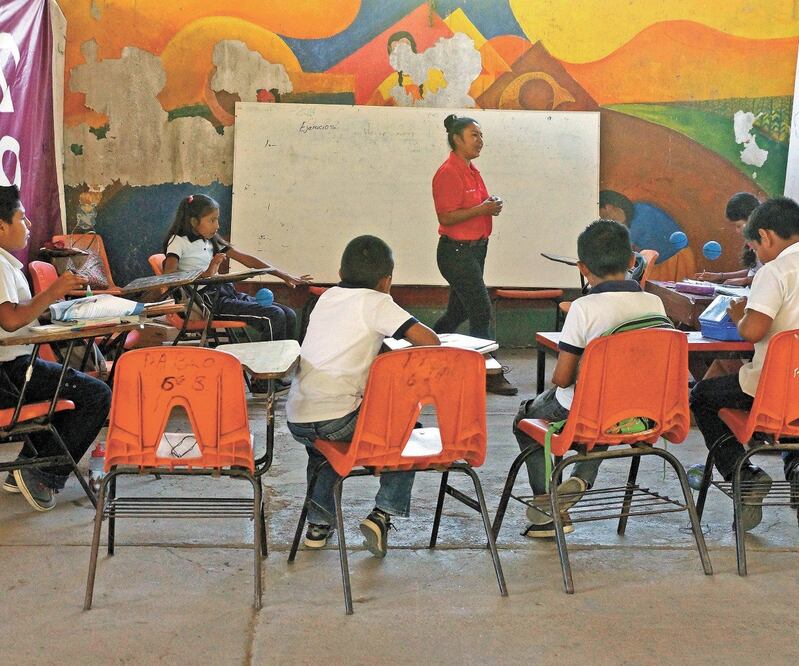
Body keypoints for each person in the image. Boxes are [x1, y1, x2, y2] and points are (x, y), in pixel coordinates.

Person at [286, 235, 439, 556]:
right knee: (408, 431)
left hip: (298, 417)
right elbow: (430, 341)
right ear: (387, 281)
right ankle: (383, 514)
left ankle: (318, 525)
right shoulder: (377, 301)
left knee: (323, 453)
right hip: (338, 419)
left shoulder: (327, 297)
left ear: (341, 272)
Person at [512, 219, 667, 537]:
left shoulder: (583, 308)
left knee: (525, 419)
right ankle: (580, 478)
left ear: (582, 268)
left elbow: (562, 378)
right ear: (631, 260)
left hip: (585, 410)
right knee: (607, 416)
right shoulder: (655, 303)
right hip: (640, 412)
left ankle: (548, 506)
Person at [0, 185, 112, 512]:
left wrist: (58, 309)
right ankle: (43, 475)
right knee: (95, 395)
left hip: (13, 369)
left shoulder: (7, 264)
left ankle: (25, 469)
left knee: (71, 386)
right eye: (22, 217)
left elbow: (19, 315)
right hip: (9, 374)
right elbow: (10, 320)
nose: (29, 224)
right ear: (1, 226)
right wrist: (52, 292)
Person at [690, 197, 799, 532]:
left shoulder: (775, 271)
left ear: (765, 236)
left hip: (774, 391)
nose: (756, 255)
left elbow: (753, 331)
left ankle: (744, 474)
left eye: (754, 247)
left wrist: (740, 314)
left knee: (701, 396)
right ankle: (795, 470)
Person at [162, 194, 312, 388]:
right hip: (206, 302)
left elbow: (247, 260)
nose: (217, 225)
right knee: (273, 316)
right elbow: (169, 275)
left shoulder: (211, 240)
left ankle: (276, 375)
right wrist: (206, 274)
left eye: (217, 219)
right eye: (212, 220)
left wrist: (283, 275)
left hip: (225, 293)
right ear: (193, 221)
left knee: (289, 314)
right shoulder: (178, 241)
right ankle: (262, 382)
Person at [431, 114, 516, 396]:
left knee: (458, 312)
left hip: (475, 251)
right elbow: (446, 216)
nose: (480, 141)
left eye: (481, 135)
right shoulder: (448, 172)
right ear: (457, 139)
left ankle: (424, 349)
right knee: (481, 310)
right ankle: (489, 374)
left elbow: (474, 206)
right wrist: (483, 209)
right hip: (456, 253)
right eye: (474, 136)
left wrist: (491, 204)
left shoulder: (471, 170)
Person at [695, 192, 761, 286]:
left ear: (751, 220)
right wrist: (719, 276)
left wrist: (745, 281)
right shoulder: (753, 241)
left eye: (739, 226)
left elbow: (771, 275)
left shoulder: (765, 242)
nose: (737, 231)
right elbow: (754, 271)